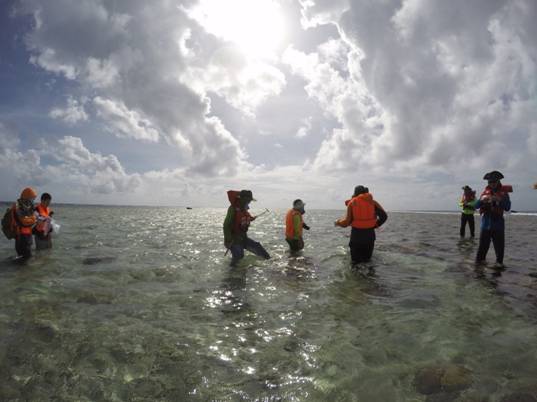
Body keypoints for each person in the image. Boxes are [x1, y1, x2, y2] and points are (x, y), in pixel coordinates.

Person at [335, 185, 387, 264]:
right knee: (368, 262)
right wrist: (375, 225)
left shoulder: (352, 202)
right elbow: (384, 216)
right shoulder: (373, 203)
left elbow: (347, 222)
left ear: (355, 193)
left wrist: (337, 222)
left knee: (355, 264)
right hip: (370, 236)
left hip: (356, 237)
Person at [223, 189, 271, 267]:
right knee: (238, 258)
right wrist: (228, 240)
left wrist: (251, 218)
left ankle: (270, 262)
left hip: (244, 238)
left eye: (250, 200)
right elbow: (226, 225)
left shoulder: (244, 210)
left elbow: (245, 218)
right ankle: (231, 276)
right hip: (234, 240)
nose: (249, 202)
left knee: (258, 247)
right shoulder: (233, 209)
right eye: (248, 200)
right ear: (241, 199)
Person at [475, 171, 511, 266]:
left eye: (494, 181)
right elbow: (475, 206)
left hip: (498, 226)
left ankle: (497, 276)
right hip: (485, 226)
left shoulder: (504, 193)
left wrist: (499, 200)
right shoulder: (484, 193)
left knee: (499, 254)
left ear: (498, 181)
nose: (492, 184)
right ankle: (478, 274)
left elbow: (507, 207)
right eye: (490, 182)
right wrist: (481, 200)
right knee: (481, 252)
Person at [13, 187, 38, 259]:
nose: (32, 200)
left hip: (27, 235)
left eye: (33, 198)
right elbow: (24, 221)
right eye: (32, 198)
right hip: (21, 236)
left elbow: (30, 218)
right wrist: (34, 219)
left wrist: (34, 218)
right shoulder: (18, 206)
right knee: (24, 258)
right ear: (27, 196)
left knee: (26, 258)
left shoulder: (27, 206)